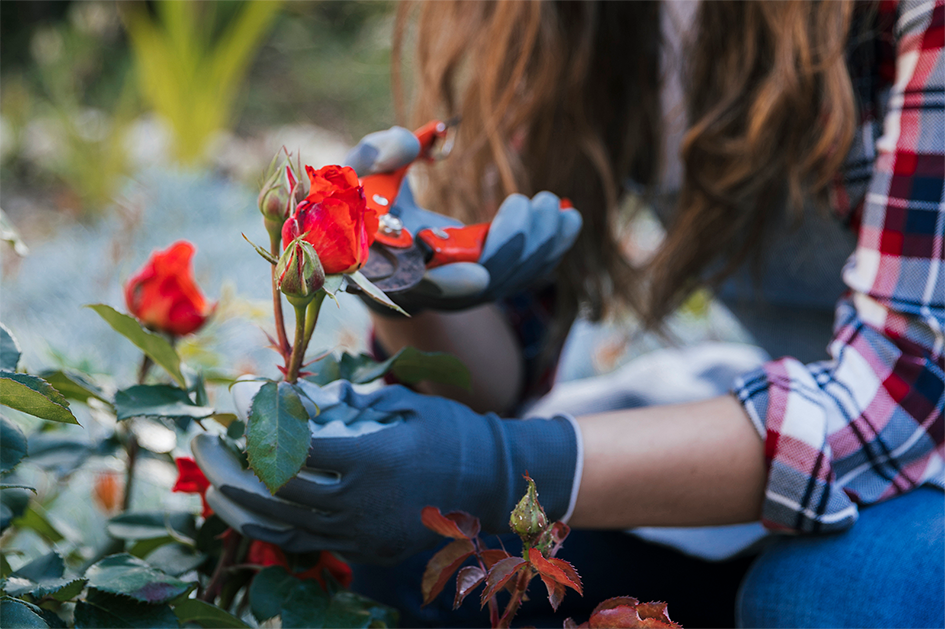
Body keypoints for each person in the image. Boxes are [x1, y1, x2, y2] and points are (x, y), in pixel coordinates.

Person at [193, 0, 945, 627]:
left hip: (905, 425)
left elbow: (903, 394)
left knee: (831, 595)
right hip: (837, 417)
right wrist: (407, 276)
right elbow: (498, 379)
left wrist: (498, 464)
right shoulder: (588, 21)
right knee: (406, 563)